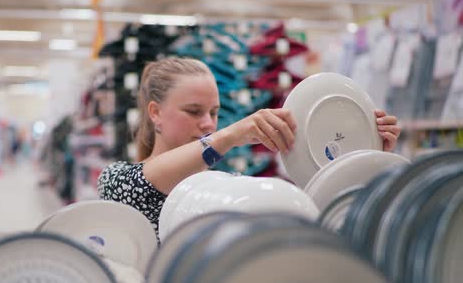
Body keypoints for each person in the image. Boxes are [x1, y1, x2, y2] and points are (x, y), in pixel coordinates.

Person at [97, 57, 401, 235]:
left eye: (214, 113)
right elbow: (143, 182)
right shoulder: (117, 180)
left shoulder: (226, 189)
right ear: (155, 113)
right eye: (194, 111)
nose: (207, 123)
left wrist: (366, 159)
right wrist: (232, 134)